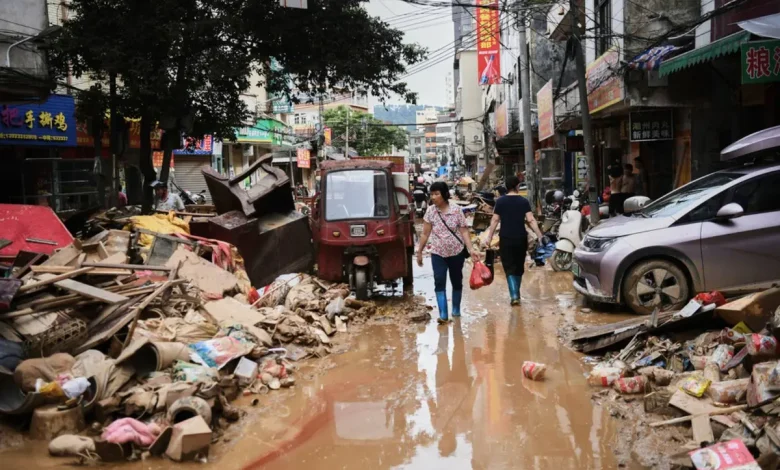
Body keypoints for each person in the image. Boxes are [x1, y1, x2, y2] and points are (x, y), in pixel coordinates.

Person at [417, 181, 479, 323]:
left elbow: (464, 231)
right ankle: (443, 315)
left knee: (456, 281)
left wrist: (471, 249)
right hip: (438, 253)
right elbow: (425, 234)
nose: (433, 197)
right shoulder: (430, 211)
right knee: (439, 281)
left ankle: (456, 310)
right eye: (431, 194)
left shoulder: (456, 210)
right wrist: (419, 251)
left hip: (456, 252)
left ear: (444, 195)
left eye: (436, 194)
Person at [484, 175, 544, 306]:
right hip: (520, 238)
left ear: (506, 187)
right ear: (517, 186)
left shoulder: (500, 201)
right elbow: (531, 220)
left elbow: (494, 220)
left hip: (505, 238)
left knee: (509, 267)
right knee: (518, 266)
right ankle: (516, 293)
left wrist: (489, 237)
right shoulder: (523, 201)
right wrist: (540, 235)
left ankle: (514, 295)